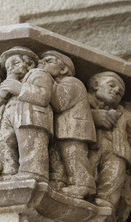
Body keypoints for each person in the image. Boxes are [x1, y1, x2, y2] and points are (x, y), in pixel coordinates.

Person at [0, 46, 54, 182]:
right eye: (7, 67)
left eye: (15, 63)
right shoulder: (6, 84)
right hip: (4, 118)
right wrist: (2, 92)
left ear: (29, 64)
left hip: (29, 116)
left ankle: (34, 172)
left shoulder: (38, 74)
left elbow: (43, 96)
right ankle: (6, 172)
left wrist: (18, 88)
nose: (11, 68)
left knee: (30, 141)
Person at [38, 50, 96, 199]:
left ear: (63, 69)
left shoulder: (72, 82)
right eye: (41, 61)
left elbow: (59, 102)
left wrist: (44, 79)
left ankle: (85, 185)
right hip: (65, 129)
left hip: (74, 129)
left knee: (74, 155)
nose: (42, 63)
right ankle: (68, 183)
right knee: (66, 156)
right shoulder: (61, 83)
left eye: (49, 61)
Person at [87, 71, 131, 210]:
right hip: (90, 147)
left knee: (114, 177)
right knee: (88, 174)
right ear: (95, 85)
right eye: (111, 85)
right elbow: (66, 115)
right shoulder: (83, 99)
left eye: (120, 93)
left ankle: (106, 206)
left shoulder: (124, 113)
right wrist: (93, 117)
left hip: (116, 151)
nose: (116, 91)